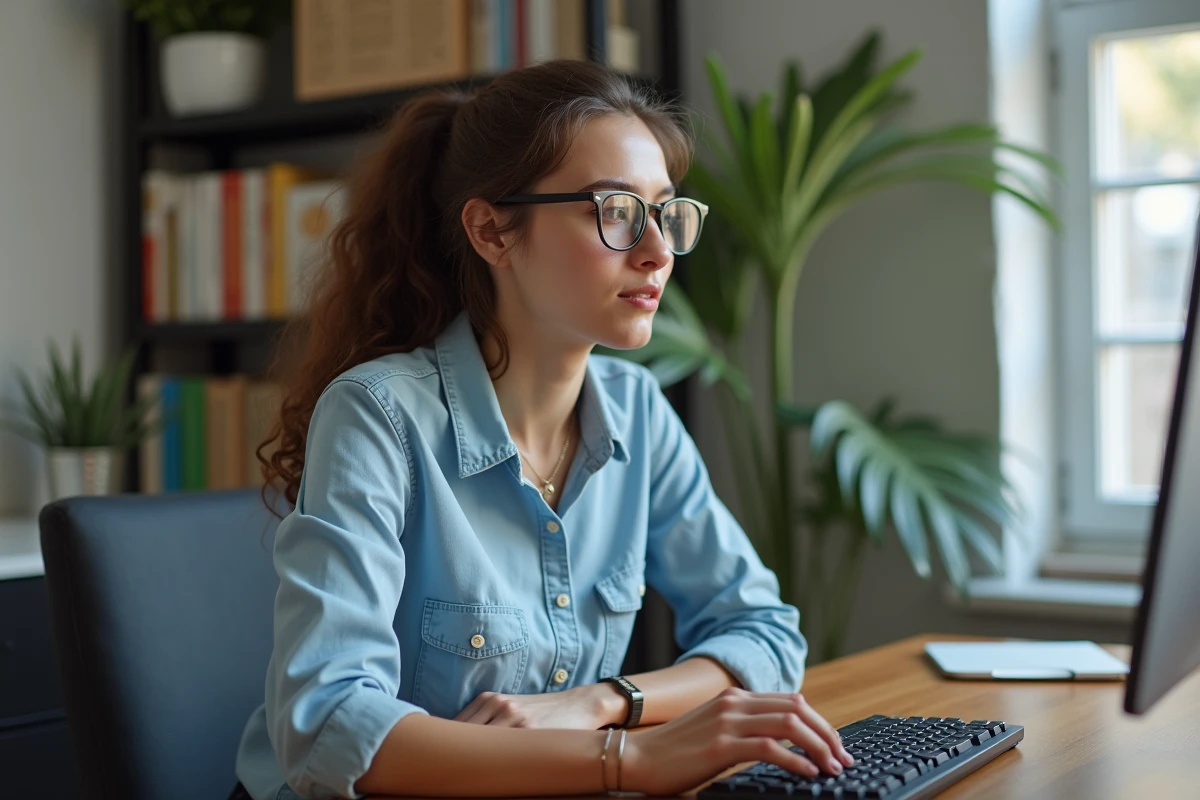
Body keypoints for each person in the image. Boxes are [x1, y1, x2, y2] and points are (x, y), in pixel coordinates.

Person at [230, 59, 853, 800]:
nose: (658, 251)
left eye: (666, 213)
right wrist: (625, 760)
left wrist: (604, 703)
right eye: (616, 211)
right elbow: (327, 725)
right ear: (492, 231)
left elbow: (765, 633)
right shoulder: (378, 414)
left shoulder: (637, 410)